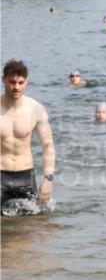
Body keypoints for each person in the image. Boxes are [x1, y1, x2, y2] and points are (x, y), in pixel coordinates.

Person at [1, 60, 55, 211]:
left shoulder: (35, 109)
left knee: (30, 228)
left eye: (20, 82)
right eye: (12, 82)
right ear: (3, 79)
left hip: (25, 177)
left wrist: (48, 180)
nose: (16, 87)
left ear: (26, 82)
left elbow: (48, 146)